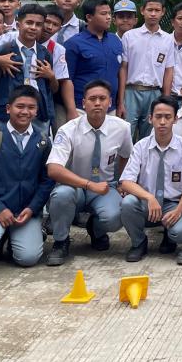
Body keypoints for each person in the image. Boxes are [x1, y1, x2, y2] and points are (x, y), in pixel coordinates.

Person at [44, 80, 133, 266]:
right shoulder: (68, 129)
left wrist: (122, 182)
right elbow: (53, 168)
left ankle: (96, 229)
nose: (97, 103)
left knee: (117, 215)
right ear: (84, 103)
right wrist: (88, 184)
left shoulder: (122, 128)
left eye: (102, 98)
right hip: (74, 187)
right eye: (92, 99)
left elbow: (126, 156)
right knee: (61, 195)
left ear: (110, 102)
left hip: (105, 187)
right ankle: (61, 241)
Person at [0, 85, 53, 266]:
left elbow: (47, 181)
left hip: (25, 212)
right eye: (20, 106)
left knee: (28, 259)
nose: (25, 112)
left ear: (36, 111)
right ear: (8, 108)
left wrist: (33, 208)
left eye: (31, 107)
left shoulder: (43, 142)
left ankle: (19, 238)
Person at [119, 96, 182, 264]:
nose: (162, 122)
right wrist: (149, 197)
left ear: (175, 119)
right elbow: (126, 181)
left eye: (167, 117)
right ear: (150, 119)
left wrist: (179, 209)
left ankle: (169, 236)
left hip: (173, 203)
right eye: (158, 117)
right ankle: (139, 243)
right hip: (147, 203)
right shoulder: (140, 146)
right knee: (128, 203)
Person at [0, 4, 56, 136]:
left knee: (38, 147)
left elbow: (52, 90)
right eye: (29, 23)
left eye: (38, 24)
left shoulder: (44, 54)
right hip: (5, 115)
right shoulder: (3, 51)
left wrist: (51, 77)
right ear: (18, 24)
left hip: (38, 115)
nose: (33, 27)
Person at [118, 0, 173, 141]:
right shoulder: (129, 36)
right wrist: (121, 100)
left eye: (157, 10)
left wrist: (165, 99)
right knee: (125, 135)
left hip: (154, 93)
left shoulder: (168, 39)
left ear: (163, 12)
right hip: (131, 92)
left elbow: (168, 70)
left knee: (149, 138)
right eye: (150, 10)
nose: (153, 14)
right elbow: (123, 68)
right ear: (142, 11)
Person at [65, 0, 124, 110]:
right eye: (103, 14)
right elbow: (67, 80)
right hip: (82, 108)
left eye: (109, 13)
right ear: (89, 17)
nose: (108, 17)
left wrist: (120, 103)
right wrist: (71, 110)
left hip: (111, 107)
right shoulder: (74, 43)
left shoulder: (115, 40)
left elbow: (120, 72)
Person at [39, 5, 75, 126]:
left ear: (60, 28)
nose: (49, 27)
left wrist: (51, 76)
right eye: (47, 21)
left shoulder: (57, 49)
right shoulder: (17, 39)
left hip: (43, 106)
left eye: (55, 25)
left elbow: (56, 88)